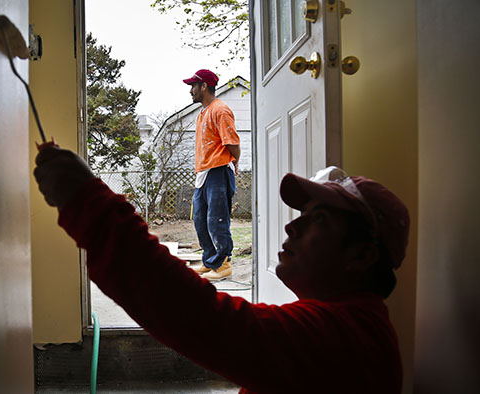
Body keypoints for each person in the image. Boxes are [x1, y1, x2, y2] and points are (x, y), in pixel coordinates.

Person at [34, 149, 409, 394]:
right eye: (301, 217)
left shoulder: (343, 338)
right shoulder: (352, 327)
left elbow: (199, 316)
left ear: (361, 256)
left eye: (318, 221)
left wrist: (86, 201)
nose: (291, 228)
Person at [183, 69, 241, 281]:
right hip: (204, 173)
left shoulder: (220, 110)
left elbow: (233, 143)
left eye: (193, 86)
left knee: (217, 220)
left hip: (218, 171)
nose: (191, 91)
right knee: (200, 219)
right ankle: (211, 260)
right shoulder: (202, 113)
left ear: (204, 86)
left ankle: (223, 262)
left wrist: (234, 163)